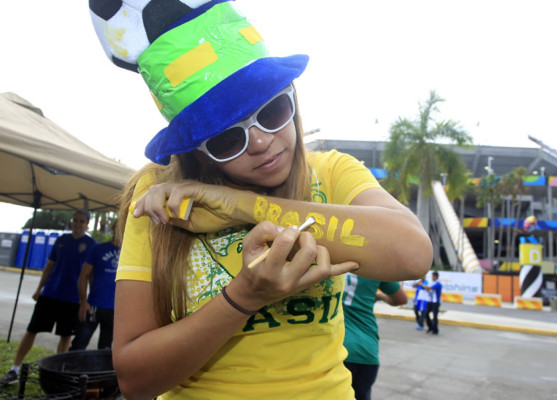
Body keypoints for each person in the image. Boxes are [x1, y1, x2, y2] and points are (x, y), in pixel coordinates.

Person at [89, 1, 433, 398]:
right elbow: (134, 379)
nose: (261, 141)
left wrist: (240, 204)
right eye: (227, 138)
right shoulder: (161, 195)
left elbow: (413, 253)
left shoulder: (332, 172)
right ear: (196, 150)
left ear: (292, 99)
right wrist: (245, 296)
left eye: (272, 111)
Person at [0, 210, 96, 386]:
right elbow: (49, 266)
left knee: (65, 336)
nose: (77, 223)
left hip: (72, 299)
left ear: (87, 224)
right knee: (32, 330)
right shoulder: (61, 241)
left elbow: (90, 276)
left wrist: (86, 300)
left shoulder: (91, 245)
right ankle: (14, 368)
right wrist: (39, 289)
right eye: (75, 220)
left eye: (82, 221)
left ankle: (57, 372)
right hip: (50, 294)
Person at [342, 272, 408, 400]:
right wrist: (381, 296)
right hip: (365, 348)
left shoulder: (331, 259)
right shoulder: (373, 264)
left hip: (333, 349)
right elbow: (401, 299)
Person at [69, 223, 121, 351]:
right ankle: (73, 370)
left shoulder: (131, 252)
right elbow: (83, 276)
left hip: (115, 309)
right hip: (93, 306)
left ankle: (97, 371)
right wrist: (83, 302)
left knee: (105, 347)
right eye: (119, 226)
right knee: (79, 344)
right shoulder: (98, 249)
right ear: (114, 229)